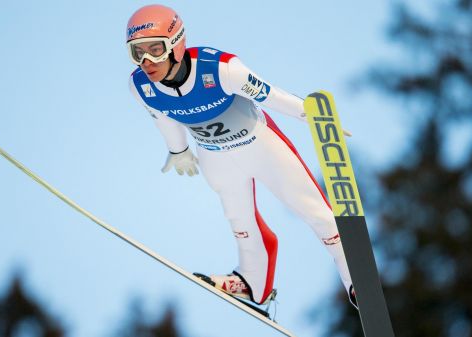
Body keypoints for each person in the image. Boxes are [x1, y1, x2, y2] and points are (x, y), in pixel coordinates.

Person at [126, 4, 356, 308]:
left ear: (177, 44)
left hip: (260, 145)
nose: (146, 61)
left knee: (316, 213)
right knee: (239, 221)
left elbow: (269, 95)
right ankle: (252, 283)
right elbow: (163, 117)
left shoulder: (220, 68)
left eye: (155, 49)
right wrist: (178, 151)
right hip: (213, 155)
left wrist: (311, 115)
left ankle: (355, 278)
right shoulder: (140, 86)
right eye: (137, 52)